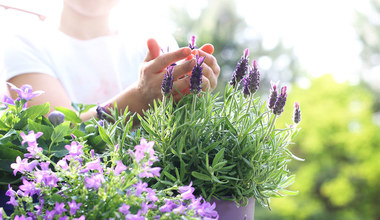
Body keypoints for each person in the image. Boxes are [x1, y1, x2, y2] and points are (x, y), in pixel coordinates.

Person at [3, 0, 220, 121]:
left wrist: (190, 94)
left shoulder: (154, 37)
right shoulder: (26, 42)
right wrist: (140, 99)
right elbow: (58, 135)